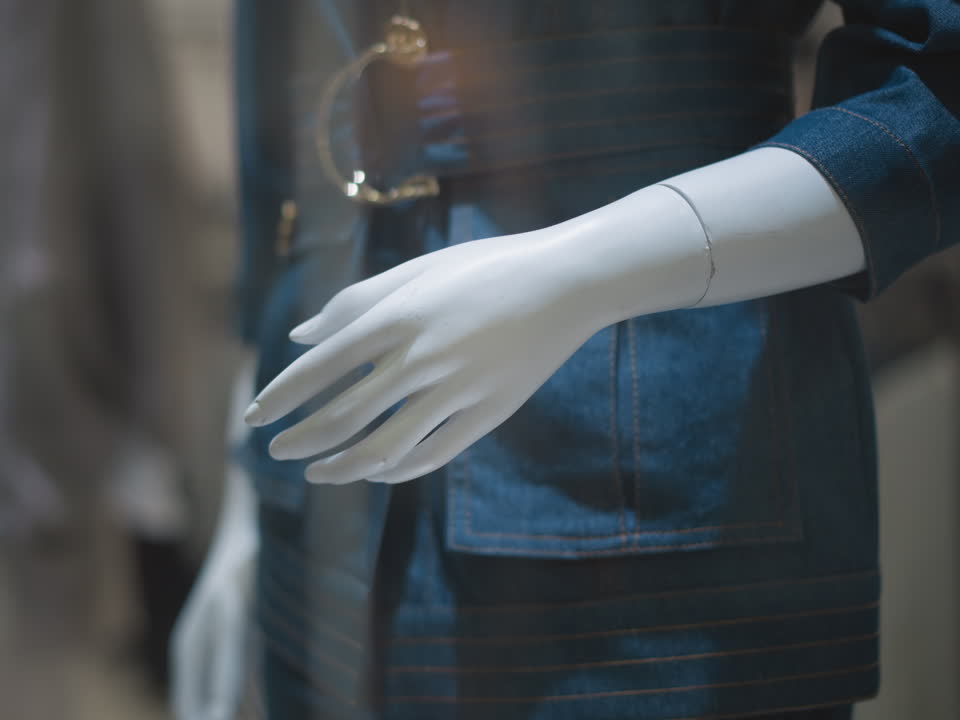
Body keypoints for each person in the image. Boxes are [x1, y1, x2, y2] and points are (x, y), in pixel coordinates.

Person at [175, 1, 959, 718]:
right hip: (315, 534)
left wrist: (583, 272)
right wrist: (251, 486)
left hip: (651, 553)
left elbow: (939, 84)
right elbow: (288, 82)